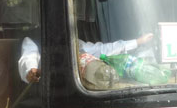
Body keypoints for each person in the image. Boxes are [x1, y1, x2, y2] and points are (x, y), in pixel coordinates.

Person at [18, 33, 154, 83]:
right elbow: (28, 57)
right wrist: (31, 71)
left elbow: (102, 50)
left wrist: (137, 42)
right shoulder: (33, 37)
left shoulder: (74, 42)